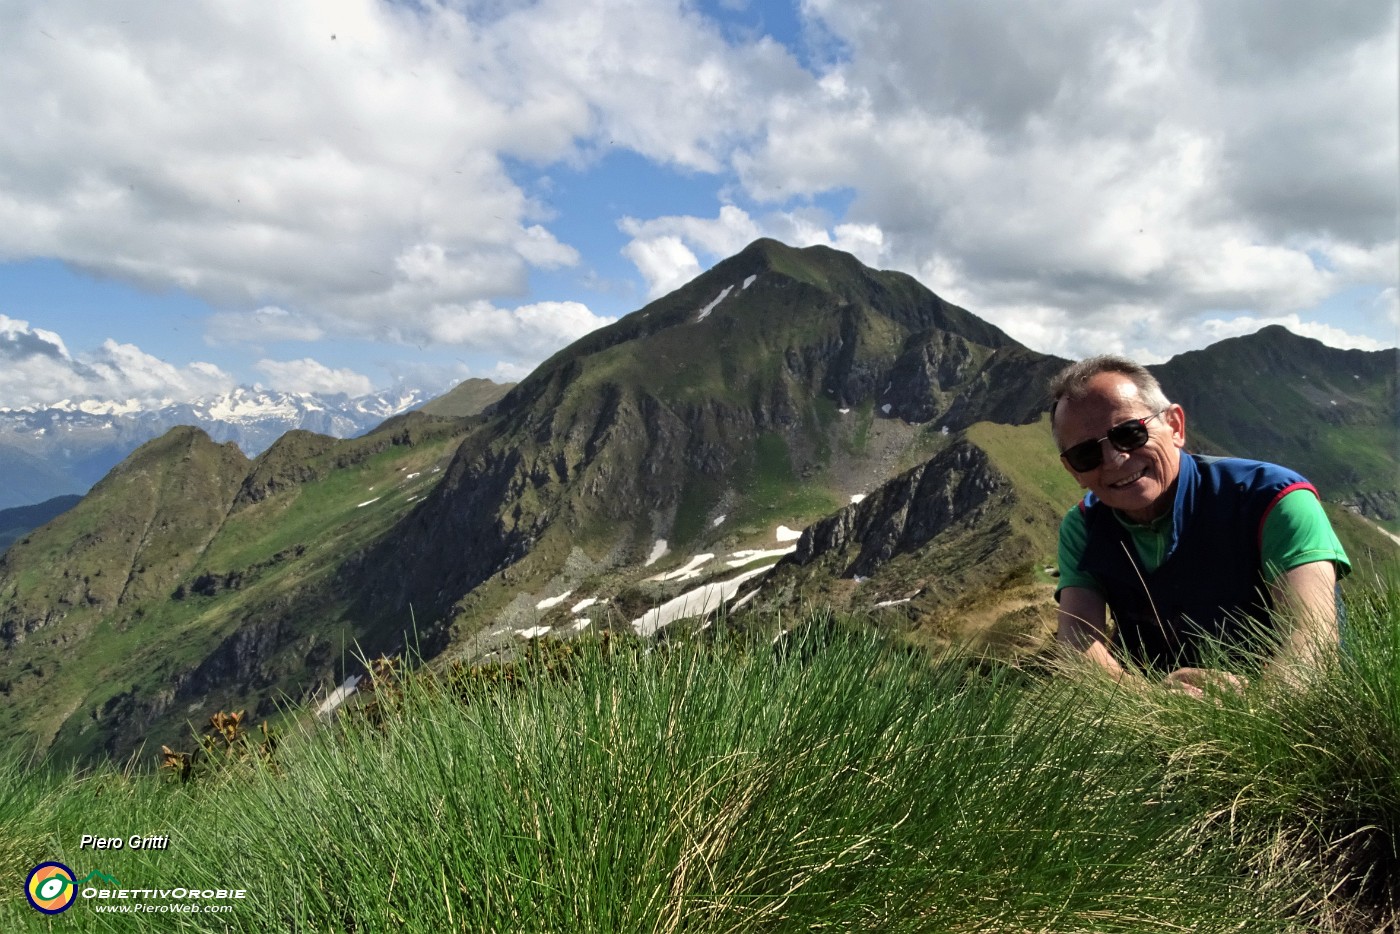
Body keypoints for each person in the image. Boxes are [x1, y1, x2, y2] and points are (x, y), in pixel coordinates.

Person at [1049, 355, 1349, 695]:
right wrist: (1152, 706)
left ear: (1175, 426)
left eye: (1129, 434)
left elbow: (1312, 640)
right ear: (1072, 470)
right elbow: (1077, 646)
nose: (1116, 460)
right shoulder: (1083, 526)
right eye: (1086, 455)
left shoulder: (1272, 499)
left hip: (1295, 716)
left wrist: (1251, 707)